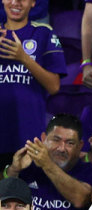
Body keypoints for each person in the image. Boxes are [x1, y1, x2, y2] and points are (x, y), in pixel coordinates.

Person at [0, 0, 64, 165]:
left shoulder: (43, 33)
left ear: (33, 2)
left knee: (25, 189)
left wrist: (24, 58)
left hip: (28, 137)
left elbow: (54, 86)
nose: (16, 2)